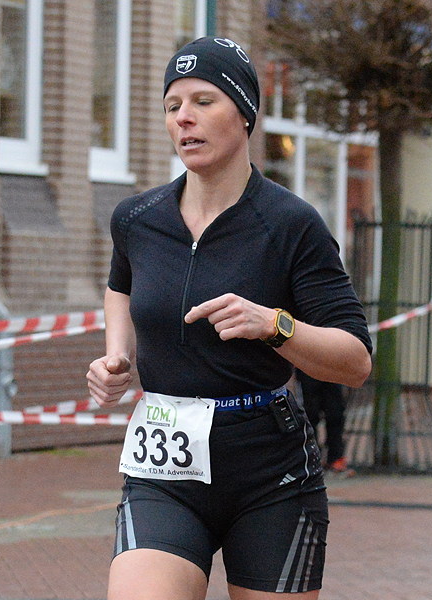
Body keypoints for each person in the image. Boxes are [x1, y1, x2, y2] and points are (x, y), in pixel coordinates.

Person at [87, 36, 372, 600]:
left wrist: (275, 325)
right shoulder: (138, 218)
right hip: (164, 466)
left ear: (244, 113)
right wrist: (117, 354)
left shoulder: (291, 224)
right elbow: (120, 287)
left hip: (269, 469)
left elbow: (355, 361)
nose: (183, 118)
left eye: (203, 101)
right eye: (172, 106)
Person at [296, 368, 352, 475]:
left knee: (336, 414)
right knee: (309, 416)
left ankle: (335, 458)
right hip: (307, 368)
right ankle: (313, 457)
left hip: (332, 368)